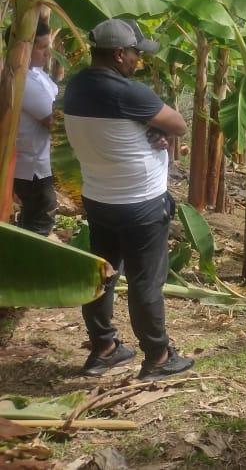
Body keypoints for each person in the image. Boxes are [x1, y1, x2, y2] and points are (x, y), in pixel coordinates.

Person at [63, 19, 193, 380]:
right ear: (119, 54)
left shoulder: (75, 87)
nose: (138, 60)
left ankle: (103, 348)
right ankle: (158, 356)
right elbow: (178, 124)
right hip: (141, 203)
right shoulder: (129, 92)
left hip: (99, 199)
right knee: (144, 282)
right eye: (136, 53)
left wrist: (150, 130)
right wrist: (160, 131)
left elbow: (114, 128)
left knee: (102, 275)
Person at [13, 19, 59, 236]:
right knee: (42, 213)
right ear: (25, 49)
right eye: (42, 48)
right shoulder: (24, 81)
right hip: (31, 166)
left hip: (39, 161)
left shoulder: (37, 74)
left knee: (34, 214)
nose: (47, 53)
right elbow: (53, 121)